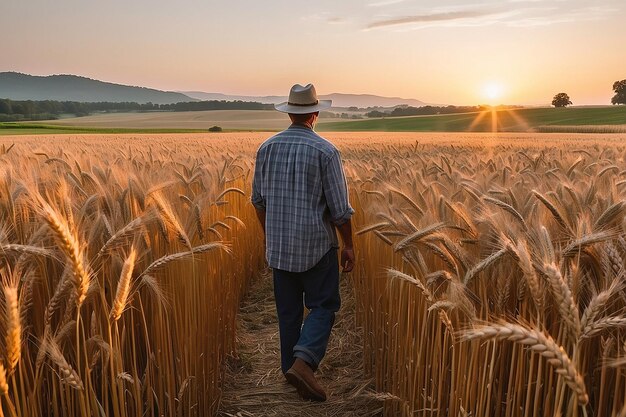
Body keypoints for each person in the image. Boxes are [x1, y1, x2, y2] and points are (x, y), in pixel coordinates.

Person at [251, 83, 355, 402]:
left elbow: (257, 201)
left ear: (290, 113)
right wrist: (349, 245)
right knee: (324, 305)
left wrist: (270, 235)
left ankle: (290, 370)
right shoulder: (326, 151)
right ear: (315, 113)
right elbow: (339, 209)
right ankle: (304, 361)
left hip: (280, 248)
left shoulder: (266, 148)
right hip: (317, 247)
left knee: (288, 312)